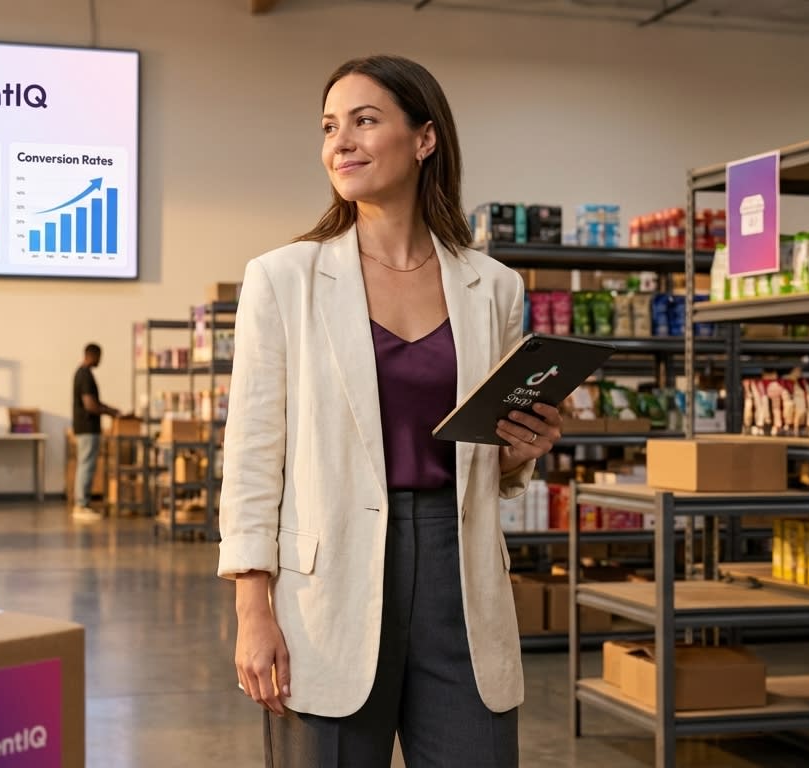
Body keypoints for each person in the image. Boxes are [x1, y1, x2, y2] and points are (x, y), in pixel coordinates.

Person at [217, 55, 563, 768]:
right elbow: (253, 456)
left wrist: (520, 450)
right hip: (326, 589)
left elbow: (484, 467)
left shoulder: (492, 287)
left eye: (365, 121)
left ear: (425, 139)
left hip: (460, 582)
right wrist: (255, 613)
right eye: (329, 127)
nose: (340, 143)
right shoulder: (283, 280)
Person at [72, 343, 120, 522]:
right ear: (92, 355)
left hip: (85, 428)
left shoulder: (82, 373)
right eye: (99, 357)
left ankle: (82, 503)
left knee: (85, 465)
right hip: (87, 427)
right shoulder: (84, 375)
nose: (100, 360)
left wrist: (110, 409)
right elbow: (90, 405)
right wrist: (111, 412)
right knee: (86, 465)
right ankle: (81, 504)